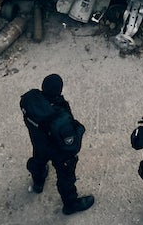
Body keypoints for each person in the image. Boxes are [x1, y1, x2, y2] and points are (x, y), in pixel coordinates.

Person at [19, 73, 95, 215]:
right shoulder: (60, 117)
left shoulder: (29, 99)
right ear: (59, 91)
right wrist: (79, 128)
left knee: (39, 161)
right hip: (58, 151)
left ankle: (38, 183)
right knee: (66, 176)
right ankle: (70, 204)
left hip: (39, 142)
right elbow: (72, 146)